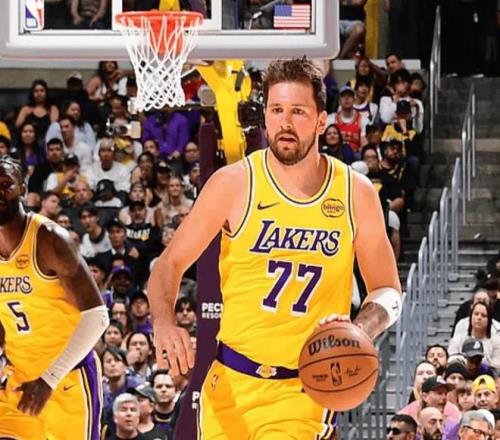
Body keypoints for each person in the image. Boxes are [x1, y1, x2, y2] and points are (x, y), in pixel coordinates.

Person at [148, 58, 402, 438]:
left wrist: (360, 327)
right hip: (228, 385)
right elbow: (168, 265)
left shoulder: (355, 192)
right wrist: (164, 321)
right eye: (276, 110)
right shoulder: (234, 183)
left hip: (303, 390)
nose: (285, 122)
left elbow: (388, 291)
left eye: (298, 111)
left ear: (321, 121)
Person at [0, 156, 109, 438]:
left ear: (23, 189)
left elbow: (98, 317)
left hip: (65, 379)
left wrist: (48, 379)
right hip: (16, 379)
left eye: (5, 184)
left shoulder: (49, 239)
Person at [448, 302, 500, 369]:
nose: (479, 317)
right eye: (476, 314)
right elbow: (450, 359)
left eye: (484, 315)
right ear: (470, 317)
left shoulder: (497, 341)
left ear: (489, 320)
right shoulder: (458, 339)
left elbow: (497, 365)